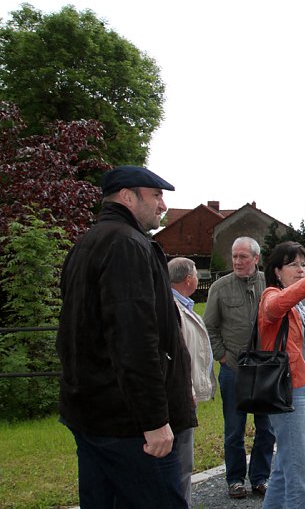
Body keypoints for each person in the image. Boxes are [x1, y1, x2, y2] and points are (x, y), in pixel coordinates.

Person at [57, 165, 196, 508]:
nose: (163, 205)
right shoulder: (126, 245)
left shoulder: (87, 243)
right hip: (128, 427)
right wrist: (153, 420)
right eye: (156, 196)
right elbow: (134, 341)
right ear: (128, 197)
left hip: (93, 416)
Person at [257, 241, 305, 509]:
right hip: (288, 391)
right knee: (300, 473)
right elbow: (276, 306)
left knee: (283, 468)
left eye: (304, 265)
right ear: (277, 271)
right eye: (293, 265)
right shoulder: (271, 296)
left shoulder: (298, 305)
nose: (301, 270)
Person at [203, 237, 274, 499]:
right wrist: (222, 357)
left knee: (267, 428)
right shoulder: (220, 287)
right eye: (234, 256)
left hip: (266, 370)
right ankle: (235, 480)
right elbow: (209, 326)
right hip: (234, 369)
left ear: (256, 259)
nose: (237, 261)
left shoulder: (270, 285)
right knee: (234, 428)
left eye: (243, 256)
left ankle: (260, 478)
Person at [168, 257, 217, 507]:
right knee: (180, 465)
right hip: (180, 397)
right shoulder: (172, 309)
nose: (198, 278)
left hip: (185, 395)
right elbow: (179, 355)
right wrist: (188, 389)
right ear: (189, 279)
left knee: (181, 464)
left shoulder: (181, 305)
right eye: (196, 274)